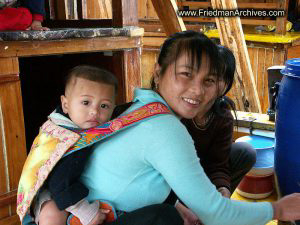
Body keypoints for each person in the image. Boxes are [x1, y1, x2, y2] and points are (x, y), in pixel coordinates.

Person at [77, 30, 300, 225]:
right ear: (158, 72)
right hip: (87, 217)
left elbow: (142, 180)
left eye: (209, 81)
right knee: (166, 219)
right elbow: (216, 214)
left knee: (169, 214)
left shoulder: (142, 106)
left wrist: (178, 206)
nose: (197, 90)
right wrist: (279, 209)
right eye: (186, 74)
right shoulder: (164, 128)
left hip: (96, 213)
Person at [31, 65, 117, 225]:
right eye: (86, 102)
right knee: (51, 215)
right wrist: (87, 213)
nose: (94, 111)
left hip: (71, 185)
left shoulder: (71, 121)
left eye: (104, 105)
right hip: (49, 190)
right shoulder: (71, 139)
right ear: (65, 104)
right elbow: (60, 183)